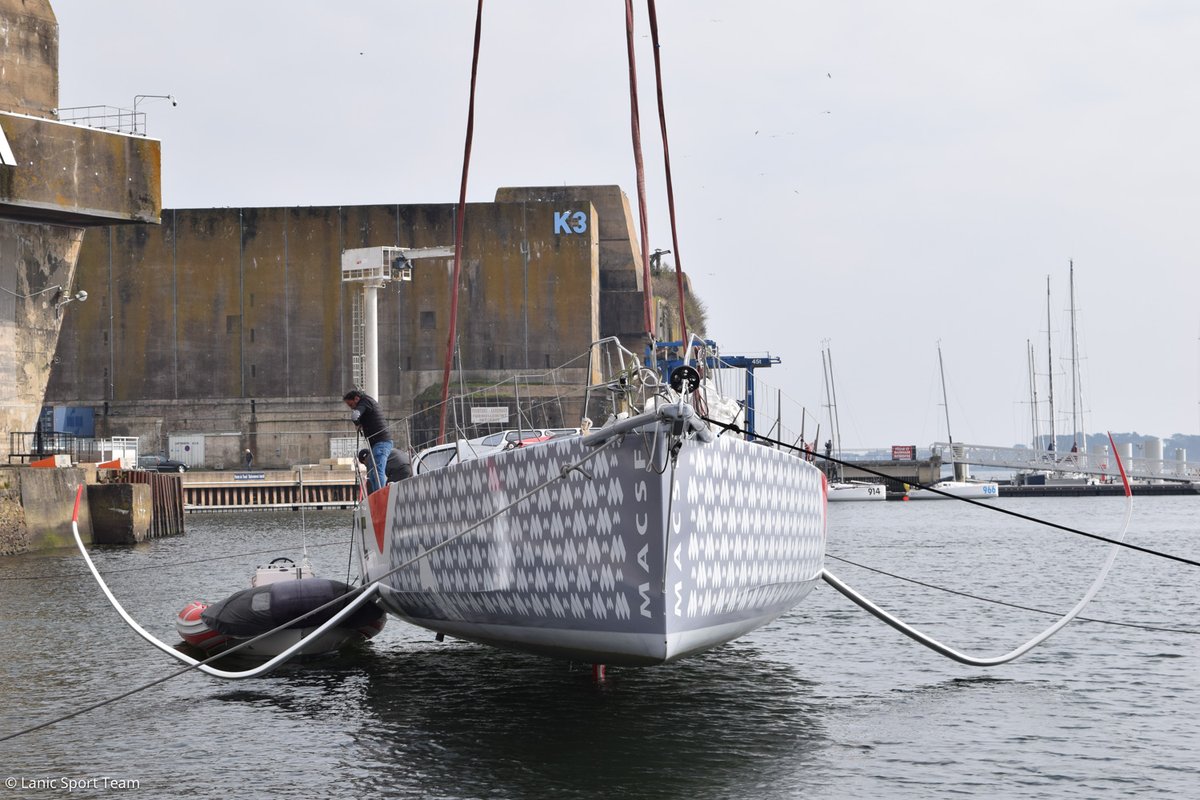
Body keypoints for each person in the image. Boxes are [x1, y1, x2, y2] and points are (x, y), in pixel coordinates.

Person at [343, 389, 393, 493]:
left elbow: (355, 415)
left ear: (356, 398)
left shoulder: (364, 401)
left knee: (378, 470)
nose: (352, 408)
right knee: (373, 471)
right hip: (377, 443)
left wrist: (357, 423)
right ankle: (376, 494)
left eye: (351, 405)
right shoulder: (368, 402)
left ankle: (380, 494)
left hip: (381, 442)